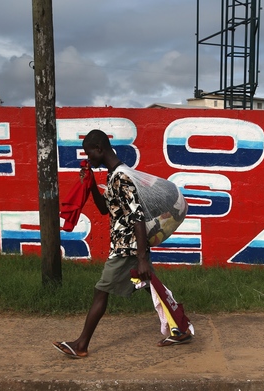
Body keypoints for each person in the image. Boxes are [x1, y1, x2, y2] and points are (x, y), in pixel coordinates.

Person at [53, 129, 192, 358]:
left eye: (90, 154)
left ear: (100, 149)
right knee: (151, 286)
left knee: (101, 291)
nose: (89, 159)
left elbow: (137, 217)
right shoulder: (113, 176)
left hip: (126, 248)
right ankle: (181, 328)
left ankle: (81, 345)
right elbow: (104, 208)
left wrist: (140, 258)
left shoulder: (121, 178)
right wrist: (89, 184)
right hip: (128, 245)